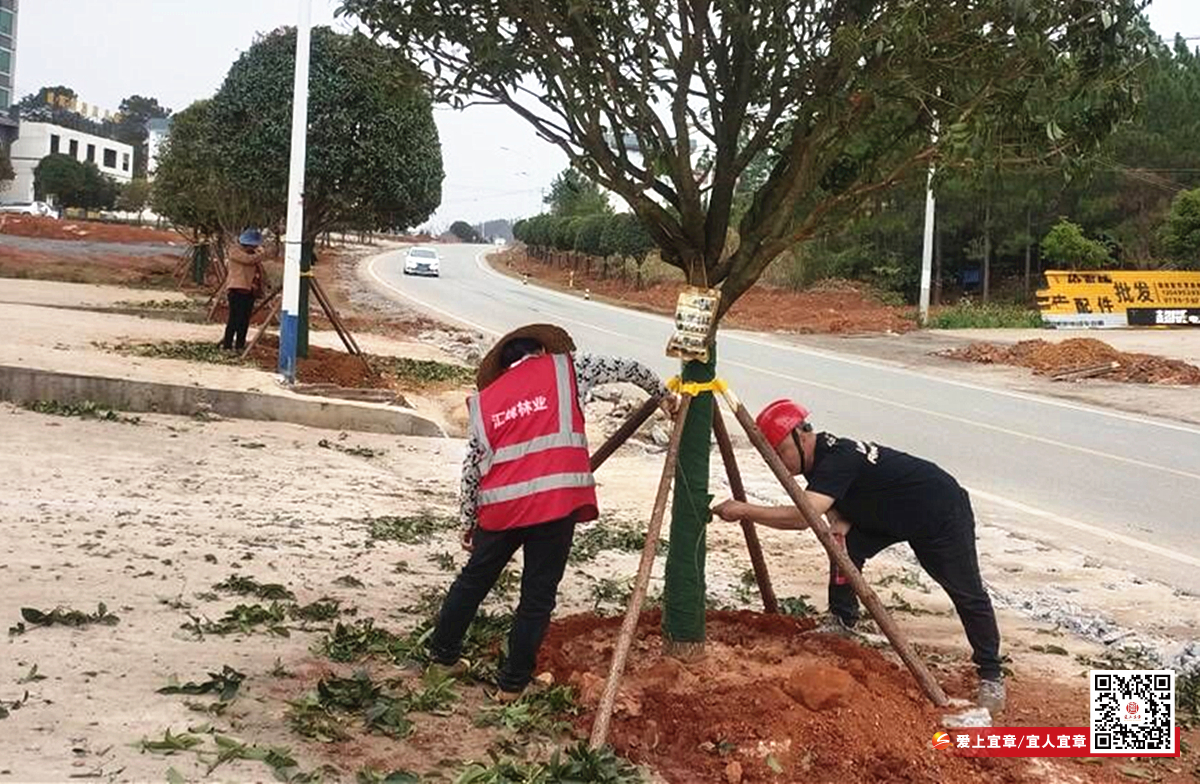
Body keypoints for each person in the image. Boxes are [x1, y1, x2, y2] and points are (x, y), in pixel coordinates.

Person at [428, 324, 678, 700]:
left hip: (501, 508)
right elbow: (629, 368)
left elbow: (472, 467)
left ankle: (442, 659)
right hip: (553, 505)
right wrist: (662, 395)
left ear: (504, 366)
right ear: (542, 352)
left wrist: (468, 519)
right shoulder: (569, 369)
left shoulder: (485, 401)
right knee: (537, 594)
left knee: (474, 580)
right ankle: (512, 685)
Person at [711, 399, 1005, 714]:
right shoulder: (819, 459)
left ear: (802, 435)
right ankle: (842, 619)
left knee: (967, 593)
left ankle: (991, 674)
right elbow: (831, 509)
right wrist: (840, 520)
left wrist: (743, 510)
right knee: (843, 545)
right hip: (887, 515)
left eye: (781, 453)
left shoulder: (837, 457)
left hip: (937, 512)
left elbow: (802, 517)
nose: (780, 464)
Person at [221, 228, 266, 352]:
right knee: (234, 319)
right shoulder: (235, 251)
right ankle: (227, 345)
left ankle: (240, 345)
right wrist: (260, 253)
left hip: (249, 291)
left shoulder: (253, 254)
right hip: (237, 290)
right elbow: (248, 260)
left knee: (244, 320)